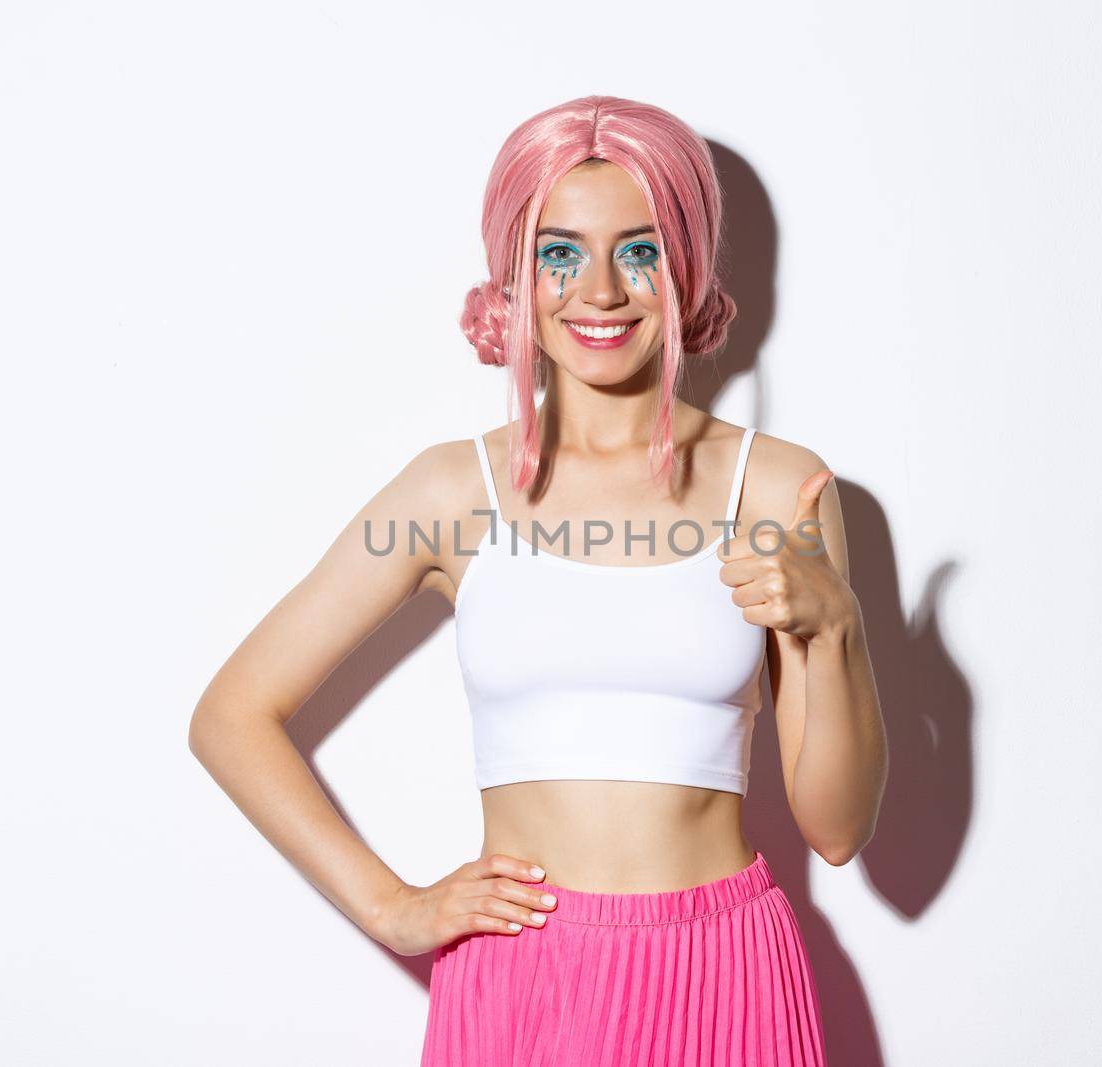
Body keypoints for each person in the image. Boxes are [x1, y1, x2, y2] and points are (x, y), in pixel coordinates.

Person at [188, 95, 888, 1065]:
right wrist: (393, 906)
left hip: (724, 973)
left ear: (684, 262)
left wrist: (836, 629)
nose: (599, 290)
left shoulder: (778, 486)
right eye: (558, 252)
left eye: (638, 249)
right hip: (523, 979)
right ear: (516, 275)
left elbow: (840, 828)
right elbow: (231, 713)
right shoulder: (449, 491)